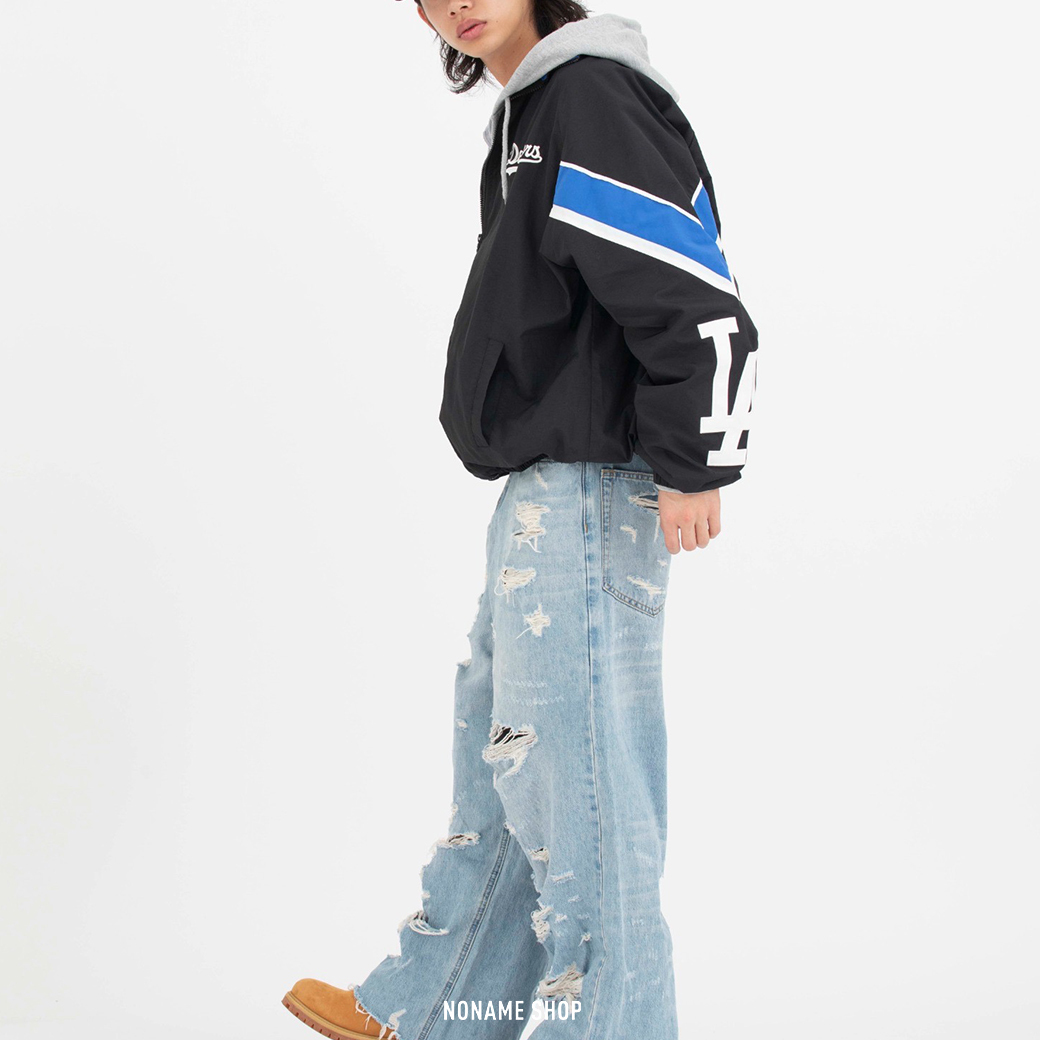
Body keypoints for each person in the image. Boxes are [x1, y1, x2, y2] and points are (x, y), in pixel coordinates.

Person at [282, 3, 759, 1038]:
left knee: (583, 800)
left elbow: (687, 286)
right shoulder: (536, 108)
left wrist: (696, 459)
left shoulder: (588, 93)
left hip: (592, 491)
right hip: (546, 492)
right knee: (511, 763)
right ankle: (437, 1008)